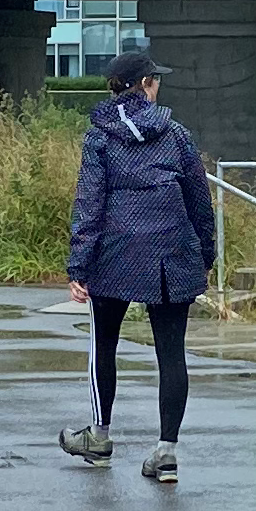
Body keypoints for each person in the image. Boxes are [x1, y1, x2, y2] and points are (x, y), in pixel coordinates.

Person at [61, 43, 217, 484]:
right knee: (172, 353)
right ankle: (166, 451)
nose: (159, 85)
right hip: (172, 254)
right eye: (156, 79)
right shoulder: (177, 134)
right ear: (145, 85)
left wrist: (79, 266)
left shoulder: (100, 136)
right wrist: (204, 254)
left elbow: (89, 203)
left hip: (114, 254)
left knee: (103, 344)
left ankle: (98, 436)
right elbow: (199, 203)